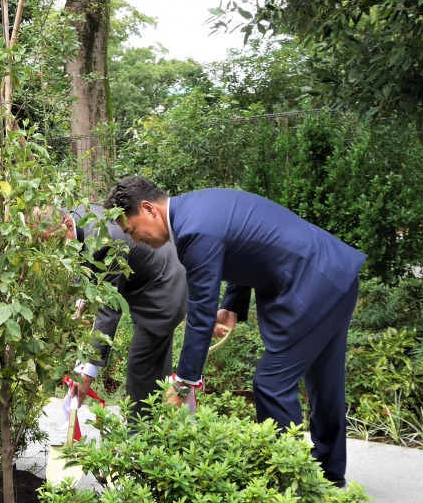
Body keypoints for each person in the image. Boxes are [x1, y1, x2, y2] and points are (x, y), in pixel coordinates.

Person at [104, 176, 366, 486]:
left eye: (132, 230)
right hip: (336, 275)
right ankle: (330, 474)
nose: (136, 241)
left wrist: (185, 381)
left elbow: (200, 311)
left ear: (148, 209)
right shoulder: (199, 206)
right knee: (325, 381)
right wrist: (233, 304)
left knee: (272, 384)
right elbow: (249, 243)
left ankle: (290, 484)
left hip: (311, 284)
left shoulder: (193, 231)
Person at [36, 205, 187, 419]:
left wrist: (87, 374)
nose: (51, 250)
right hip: (144, 281)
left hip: (165, 288)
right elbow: (83, 263)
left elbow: (108, 310)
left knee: (141, 366)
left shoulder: (105, 241)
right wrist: (81, 303)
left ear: (67, 225)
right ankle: (158, 428)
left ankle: (140, 437)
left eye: (51, 242)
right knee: (152, 366)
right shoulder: (76, 217)